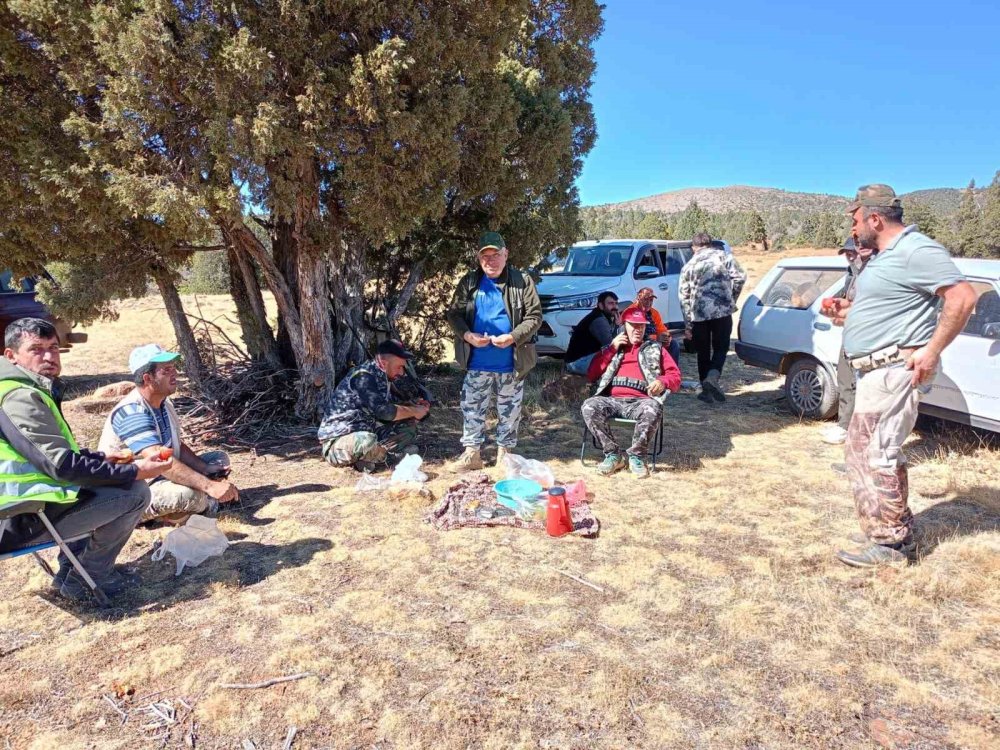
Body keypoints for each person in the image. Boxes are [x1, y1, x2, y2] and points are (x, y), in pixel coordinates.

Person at [834, 185, 976, 568]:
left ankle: (891, 547)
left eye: (856, 219)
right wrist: (846, 312)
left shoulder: (917, 250)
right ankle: (894, 533)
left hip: (893, 370)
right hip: (875, 372)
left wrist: (931, 351)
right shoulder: (883, 258)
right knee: (868, 453)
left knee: (875, 454)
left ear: (875, 218)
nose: (853, 227)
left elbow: (962, 297)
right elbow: (885, 309)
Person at [0, 318, 170, 602]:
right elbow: (61, 466)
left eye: (53, 348)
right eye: (37, 349)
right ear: (11, 355)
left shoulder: (26, 389)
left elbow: (46, 454)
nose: (49, 357)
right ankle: (86, 579)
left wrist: (101, 457)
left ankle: (71, 572)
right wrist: (134, 470)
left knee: (93, 487)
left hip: (29, 509)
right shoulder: (18, 397)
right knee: (136, 494)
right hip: (19, 517)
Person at [98, 344, 239, 523]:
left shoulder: (163, 403)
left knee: (218, 459)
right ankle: (199, 505)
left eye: (173, 368)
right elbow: (160, 460)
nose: (175, 373)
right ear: (148, 378)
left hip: (162, 475)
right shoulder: (132, 411)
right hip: (134, 491)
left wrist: (205, 469)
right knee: (188, 496)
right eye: (166, 370)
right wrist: (209, 486)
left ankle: (179, 512)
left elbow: (175, 446)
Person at [447, 231, 542, 470]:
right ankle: (472, 454)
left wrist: (512, 337)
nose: (490, 260)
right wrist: (467, 335)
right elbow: (455, 314)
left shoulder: (522, 281)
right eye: (485, 256)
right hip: (477, 360)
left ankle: (505, 456)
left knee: (509, 410)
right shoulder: (469, 282)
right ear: (479, 259)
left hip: (512, 361)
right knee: (471, 407)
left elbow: (534, 316)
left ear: (506, 254)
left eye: (496, 254)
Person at [582, 307, 681, 478]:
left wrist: (662, 382)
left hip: (641, 401)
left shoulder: (655, 349)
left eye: (641, 326)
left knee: (652, 408)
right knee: (589, 406)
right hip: (612, 399)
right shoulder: (612, 348)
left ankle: (637, 456)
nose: (638, 330)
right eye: (633, 326)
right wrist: (611, 349)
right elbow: (591, 374)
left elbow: (675, 376)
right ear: (623, 327)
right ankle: (613, 454)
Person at [318, 339, 430, 471]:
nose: (401, 373)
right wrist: (414, 411)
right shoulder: (363, 377)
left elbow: (393, 408)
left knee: (408, 428)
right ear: (383, 363)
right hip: (338, 441)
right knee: (367, 441)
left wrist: (414, 407)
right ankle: (385, 458)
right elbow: (384, 412)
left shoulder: (383, 378)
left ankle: (371, 459)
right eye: (399, 367)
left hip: (367, 431)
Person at [820, 236, 878, 446]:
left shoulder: (876, 272)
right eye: (848, 253)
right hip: (852, 335)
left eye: (853, 252)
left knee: (869, 386)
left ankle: (862, 432)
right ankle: (846, 426)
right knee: (845, 380)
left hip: (872, 339)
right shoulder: (852, 273)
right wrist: (835, 309)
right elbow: (847, 302)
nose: (850, 256)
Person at [679, 233, 747, 404]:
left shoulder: (689, 265)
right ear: (710, 244)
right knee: (721, 348)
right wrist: (730, 298)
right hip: (722, 312)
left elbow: (683, 296)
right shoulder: (724, 256)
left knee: (702, 352)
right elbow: (740, 277)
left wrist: (688, 323)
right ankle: (713, 377)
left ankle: (705, 390)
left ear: (694, 247)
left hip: (698, 315)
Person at [622, 287, 681, 365]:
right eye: (646, 299)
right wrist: (656, 338)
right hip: (637, 342)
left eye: (651, 300)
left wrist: (667, 337)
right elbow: (632, 335)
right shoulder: (630, 311)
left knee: (674, 344)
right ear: (638, 298)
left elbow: (662, 330)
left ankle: (671, 371)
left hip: (654, 341)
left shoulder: (654, 313)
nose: (648, 303)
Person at [565, 292, 619, 375]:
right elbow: (612, 345)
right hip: (576, 362)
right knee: (616, 360)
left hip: (585, 358)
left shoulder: (602, 316)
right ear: (601, 305)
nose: (615, 307)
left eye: (616, 303)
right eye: (611, 303)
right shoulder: (598, 320)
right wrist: (617, 326)